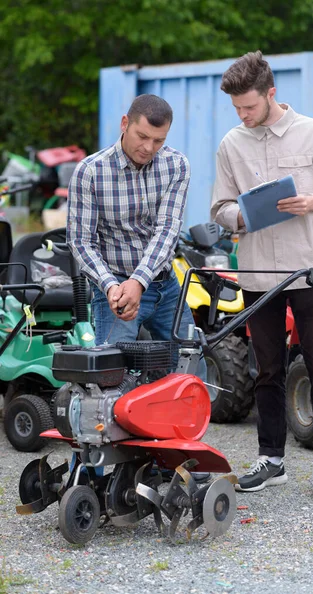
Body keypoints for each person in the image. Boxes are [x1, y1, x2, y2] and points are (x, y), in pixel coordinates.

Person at [211, 51, 313, 497]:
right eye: (237, 109)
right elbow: (219, 208)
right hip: (257, 275)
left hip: (308, 271)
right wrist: (243, 216)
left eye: (249, 107)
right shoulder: (230, 144)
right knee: (267, 371)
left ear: (271, 93)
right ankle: (270, 460)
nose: (243, 115)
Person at [67, 93, 209, 483]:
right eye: (143, 136)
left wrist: (139, 281)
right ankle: (96, 475)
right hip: (111, 291)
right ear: (125, 123)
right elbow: (80, 242)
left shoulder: (176, 165)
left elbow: (167, 232)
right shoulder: (90, 172)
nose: (149, 148)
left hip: (163, 285)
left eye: (158, 140)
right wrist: (114, 286)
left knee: (185, 370)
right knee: (108, 380)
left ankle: (179, 463)